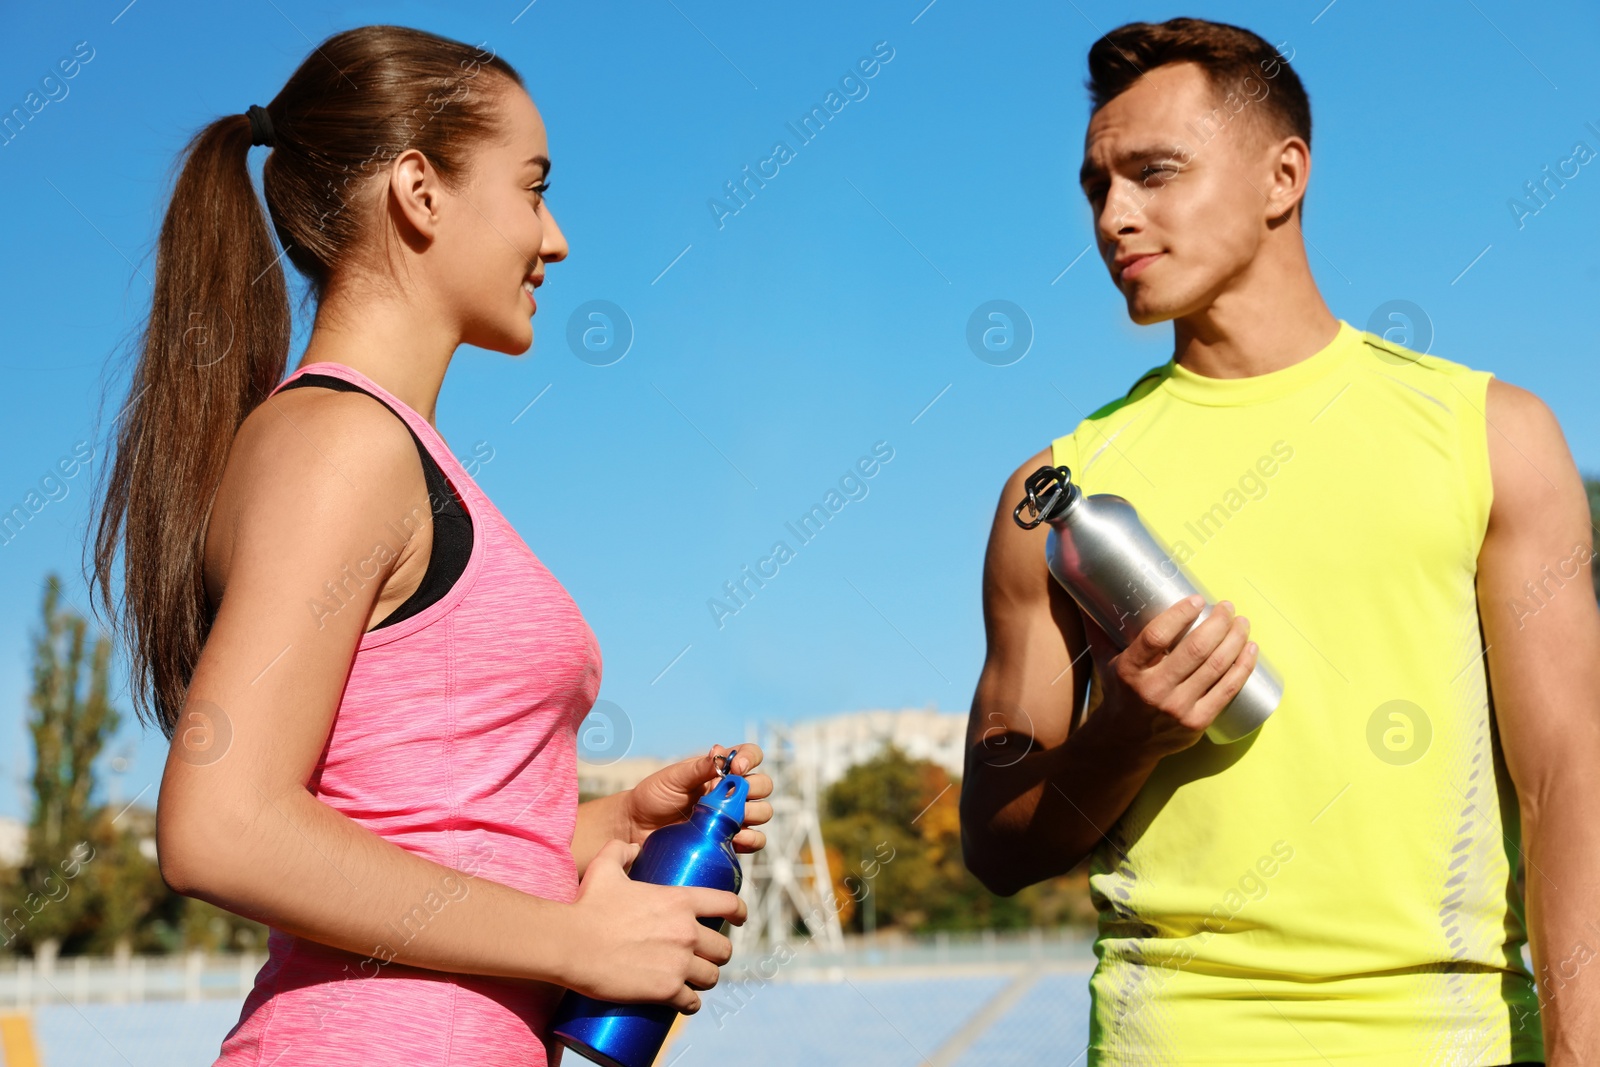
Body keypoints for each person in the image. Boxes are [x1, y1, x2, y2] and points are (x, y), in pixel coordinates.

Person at [85, 24, 772, 1065]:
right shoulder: (340, 443)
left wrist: (605, 826)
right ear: (420, 190)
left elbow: (414, 826)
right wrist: (572, 942)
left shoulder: (386, 450)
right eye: (533, 188)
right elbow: (218, 824)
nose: (557, 239)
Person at [960, 16, 1599, 1066]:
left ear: (1282, 177)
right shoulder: (1053, 494)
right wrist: (1124, 731)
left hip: (1450, 1038)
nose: (1115, 216)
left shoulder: (1491, 435)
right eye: (1095, 188)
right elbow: (993, 839)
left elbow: (1568, 782)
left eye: (1153, 173)